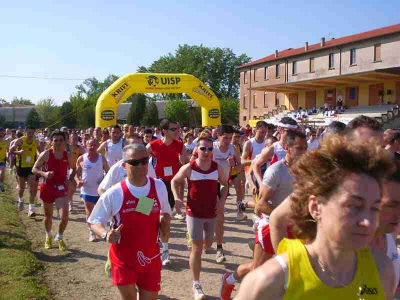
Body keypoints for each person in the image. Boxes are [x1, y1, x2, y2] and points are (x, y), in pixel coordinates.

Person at [235, 135, 395, 300]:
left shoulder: (382, 270)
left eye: (375, 208)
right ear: (315, 207)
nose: (367, 222)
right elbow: (274, 216)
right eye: (353, 206)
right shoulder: (270, 281)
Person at [220, 131, 307, 300]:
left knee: (294, 268)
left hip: (295, 226)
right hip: (270, 225)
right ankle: (229, 280)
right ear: (287, 148)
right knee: (257, 268)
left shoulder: (306, 170)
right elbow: (261, 204)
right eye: (299, 148)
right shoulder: (276, 171)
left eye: (305, 148)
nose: (303, 152)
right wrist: (281, 217)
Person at [88, 144, 172, 300]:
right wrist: (106, 234)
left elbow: (165, 213)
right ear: (124, 165)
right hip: (123, 259)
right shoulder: (115, 192)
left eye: (144, 161)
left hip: (150, 257)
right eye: (134, 162)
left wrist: (164, 221)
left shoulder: (159, 186)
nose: (140, 165)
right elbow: (94, 221)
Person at [171, 136, 228, 300]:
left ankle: (192, 236)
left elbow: (225, 184)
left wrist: (222, 200)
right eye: (203, 148)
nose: (207, 152)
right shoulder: (190, 167)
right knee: (197, 249)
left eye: (210, 149)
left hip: (211, 213)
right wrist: (176, 197)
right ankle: (196, 285)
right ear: (197, 150)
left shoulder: (217, 168)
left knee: (208, 244)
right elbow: (175, 181)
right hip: (193, 213)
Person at [146, 118, 188, 266]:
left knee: (165, 218)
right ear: (164, 131)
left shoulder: (179, 145)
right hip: (153, 184)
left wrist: (183, 161)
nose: (177, 131)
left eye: (177, 128)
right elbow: (141, 157)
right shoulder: (153, 145)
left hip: (171, 185)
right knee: (144, 213)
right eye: (173, 129)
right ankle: (149, 244)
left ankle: (165, 251)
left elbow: (186, 162)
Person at [32, 131, 76, 251]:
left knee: (65, 216)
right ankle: (48, 235)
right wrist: (44, 173)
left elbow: (74, 168)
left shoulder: (68, 155)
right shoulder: (46, 154)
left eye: (60, 140)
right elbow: (34, 169)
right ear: (51, 142)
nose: (58, 143)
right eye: (55, 140)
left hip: (61, 188)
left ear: (64, 141)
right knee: (48, 215)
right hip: (47, 187)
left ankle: (60, 237)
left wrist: (70, 178)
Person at [212, 124, 242, 263]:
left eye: (230, 138)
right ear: (218, 136)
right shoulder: (211, 147)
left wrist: (234, 165)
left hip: (223, 184)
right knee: (206, 217)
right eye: (225, 138)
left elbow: (240, 166)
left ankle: (219, 249)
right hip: (208, 185)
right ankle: (206, 241)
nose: (228, 141)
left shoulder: (233, 148)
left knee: (220, 216)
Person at [75, 138, 109, 241]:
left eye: (94, 145)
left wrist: (104, 182)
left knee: (98, 211)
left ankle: (99, 230)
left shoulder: (102, 158)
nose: (92, 147)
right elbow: (76, 174)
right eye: (90, 145)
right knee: (89, 211)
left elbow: (108, 173)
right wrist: (78, 181)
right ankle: (91, 232)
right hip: (86, 190)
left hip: (99, 190)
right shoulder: (81, 159)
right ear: (86, 145)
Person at [253, 117, 298, 187]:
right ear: (280, 130)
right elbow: (256, 165)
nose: (293, 134)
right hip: (275, 188)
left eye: (295, 131)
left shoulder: (299, 148)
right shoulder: (272, 149)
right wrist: (261, 184)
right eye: (289, 131)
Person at [9, 126, 39, 217]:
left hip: (31, 167)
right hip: (21, 167)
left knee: (31, 188)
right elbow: (11, 150)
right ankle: (21, 200)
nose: (30, 135)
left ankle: (31, 209)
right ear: (25, 132)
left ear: (34, 133)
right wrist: (19, 152)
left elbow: (37, 150)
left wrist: (38, 155)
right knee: (22, 188)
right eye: (29, 133)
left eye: (32, 133)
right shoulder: (20, 140)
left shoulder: (35, 141)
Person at [67, 132, 85, 211]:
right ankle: (69, 203)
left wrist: (81, 166)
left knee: (73, 188)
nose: (74, 140)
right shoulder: (66, 147)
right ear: (69, 139)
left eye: (76, 139)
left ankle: (69, 202)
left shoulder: (80, 148)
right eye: (72, 138)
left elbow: (84, 158)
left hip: (75, 169)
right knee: (68, 187)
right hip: (66, 168)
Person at [0, 128, 7, 192]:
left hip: (2, 160)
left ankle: (1, 184)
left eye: (2, 133)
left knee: (2, 172)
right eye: (0, 132)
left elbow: (7, 150)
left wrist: (7, 156)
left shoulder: (5, 141)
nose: (1, 134)